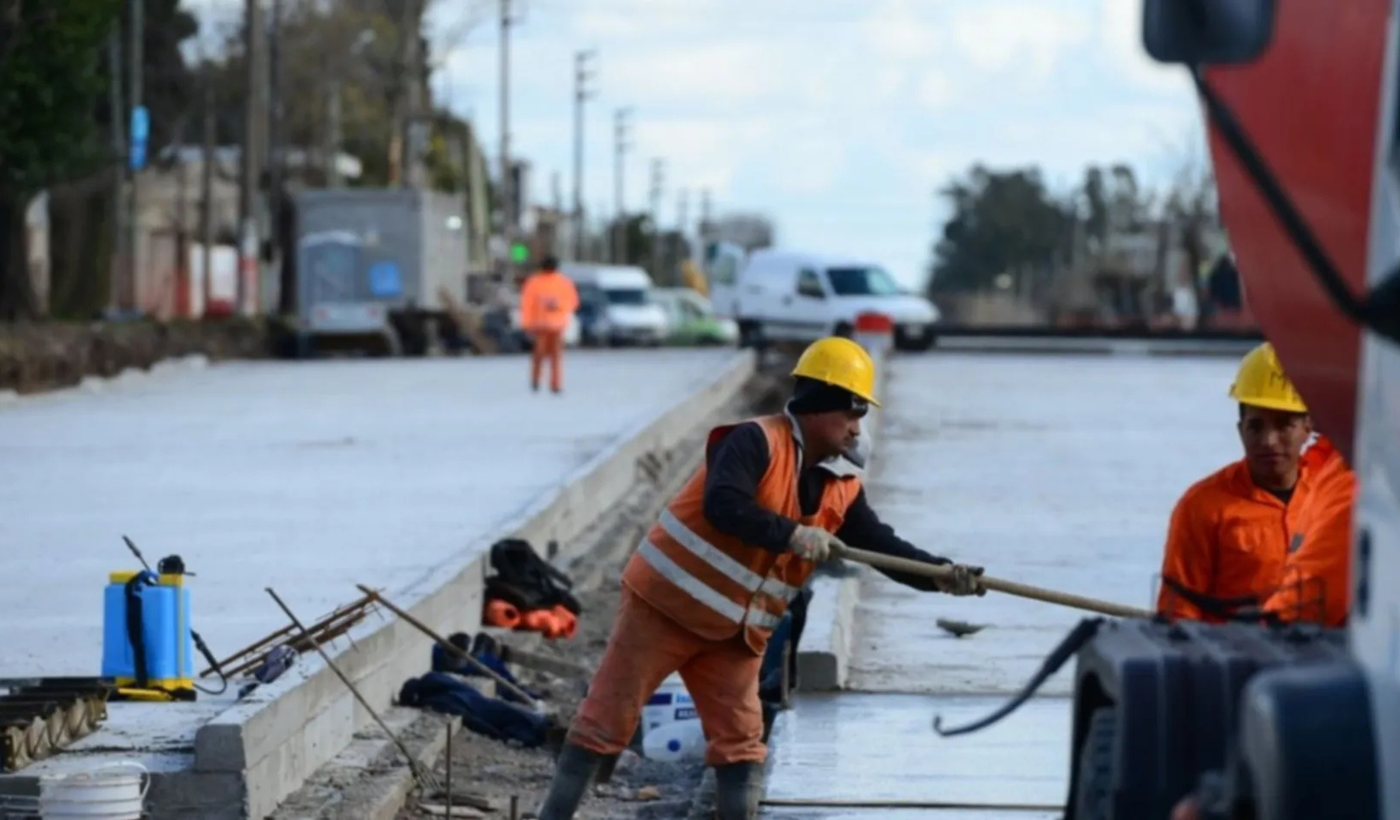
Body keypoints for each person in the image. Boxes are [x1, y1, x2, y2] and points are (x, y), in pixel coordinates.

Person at [536, 336, 988, 820]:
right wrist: (793, 535)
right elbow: (724, 504)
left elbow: (882, 546)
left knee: (742, 745)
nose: (858, 428)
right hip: (664, 609)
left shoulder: (840, 486)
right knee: (604, 723)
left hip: (735, 634)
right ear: (819, 407)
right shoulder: (753, 441)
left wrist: (941, 575)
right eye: (852, 413)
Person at [1155, 341, 1352, 623]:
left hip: (1317, 655)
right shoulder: (1202, 507)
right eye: (1256, 426)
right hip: (1233, 657)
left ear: (1308, 427)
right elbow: (1178, 614)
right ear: (1240, 429)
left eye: (1284, 425)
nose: (1269, 441)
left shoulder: (1330, 497)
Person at [518, 256, 579, 394]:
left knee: (539, 356)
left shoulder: (534, 282)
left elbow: (526, 304)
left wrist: (526, 323)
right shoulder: (564, 283)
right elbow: (573, 303)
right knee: (555, 357)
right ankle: (554, 384)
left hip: (541, 325)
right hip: (555, 325)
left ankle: (537, 381)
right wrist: (560, 308)